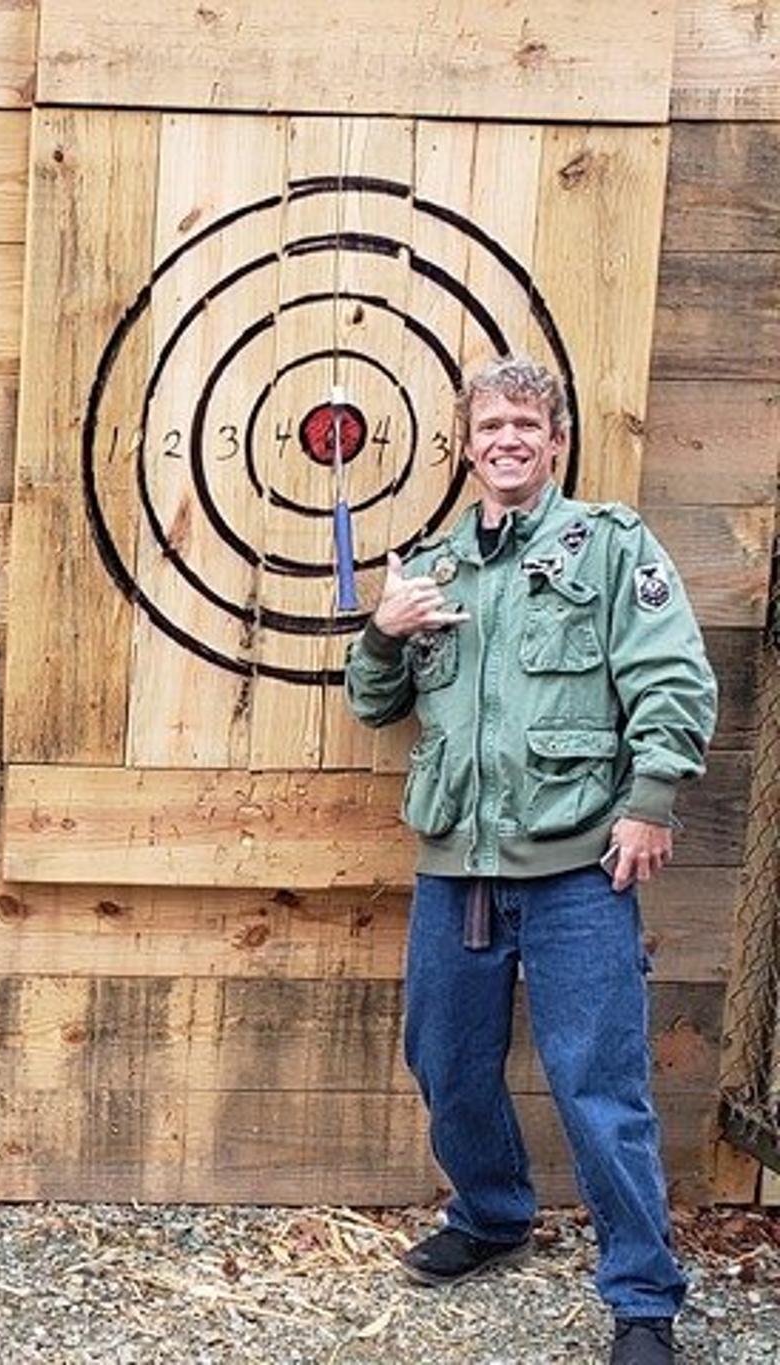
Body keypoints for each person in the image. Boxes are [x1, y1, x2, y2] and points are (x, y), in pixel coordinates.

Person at [343, 356, 716, 1365]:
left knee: (598, 1084)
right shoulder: (431, 568)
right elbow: (374, 702)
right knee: (445, 1065)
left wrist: (648, 801)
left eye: (525, 424)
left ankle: (642, 1299)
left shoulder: (606, 549)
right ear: (467, 446)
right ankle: (492, 1215)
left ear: (553, 442)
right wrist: (380, 633)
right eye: (488, 425)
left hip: (574, 874)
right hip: (455, 867)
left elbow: (671, 676)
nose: (506, 439)